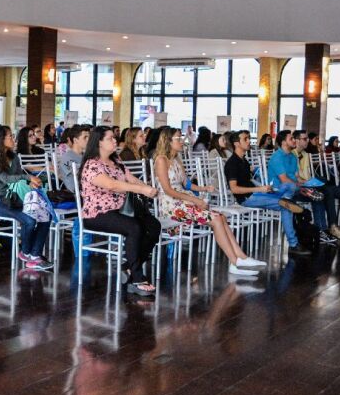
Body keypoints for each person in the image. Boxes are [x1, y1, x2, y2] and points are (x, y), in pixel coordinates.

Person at [153, 128, 266, 276]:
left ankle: (241, 257)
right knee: (216, 219)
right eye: (178, 138)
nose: (182, 141)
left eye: (181, 138)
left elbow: (186, 184)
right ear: (167, 141)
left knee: (221, 217)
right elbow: (167, 190)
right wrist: (195, 199)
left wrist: (203, 188)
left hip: (184, 201)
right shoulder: (161, 160)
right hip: (172, 206)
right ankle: (234, 262)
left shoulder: (176, 159)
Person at [80, 126, 161, 296]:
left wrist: (148, 188)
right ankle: (137, 278)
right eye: (110, 138)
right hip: (97, 214)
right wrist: (141, 190)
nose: (115, 140)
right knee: (134, 227)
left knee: (153, 226)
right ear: (99, 142)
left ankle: (129, 267)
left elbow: (130, 178)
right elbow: (112, 185)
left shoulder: (116, 160)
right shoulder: (92, 165)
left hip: (121, 210)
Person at [223, 130, 310, 256]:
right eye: (245, 139)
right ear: (237, 144)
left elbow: (248, 182)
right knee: (286, 205)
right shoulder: (232, 163)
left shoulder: (244, 161)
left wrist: (263, 187)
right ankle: (293, 243)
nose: (249, 141)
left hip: (256, 194)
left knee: (287, 191)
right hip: (246, 198)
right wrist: (259, 189)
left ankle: (294, 241)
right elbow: (234, 189)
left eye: (248, 138)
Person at [0, 126, 53, 270]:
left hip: (15, 198)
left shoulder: (13, 157)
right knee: (29, 220)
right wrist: (27, 177)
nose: (13, 139)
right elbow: (6, 178)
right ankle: (27, 253)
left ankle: (34, 255)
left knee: (46, 215)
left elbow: (19, 176)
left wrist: (32, 182)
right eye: (10, 136)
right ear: (0, 139)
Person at [292, 130, 340, 240]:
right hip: (302, 187)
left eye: (307, 139)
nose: (307, 141)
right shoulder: (291, 155)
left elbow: (308, 174)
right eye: (305, 139)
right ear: (296, 140)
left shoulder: (305, 154)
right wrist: (308, 182)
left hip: (310, 184)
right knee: (327, 191)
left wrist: (313, 181)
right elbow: (295, 177)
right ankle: (332, 226)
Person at [57, 125, 90, 193]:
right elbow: (80, 174)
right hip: (77, 192)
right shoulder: (67, 158)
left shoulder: (86, 155)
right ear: (75, 140)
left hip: (88, 188)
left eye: (89, 137)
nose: (88, 139)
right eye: (85, 137)